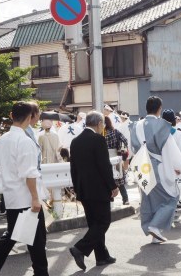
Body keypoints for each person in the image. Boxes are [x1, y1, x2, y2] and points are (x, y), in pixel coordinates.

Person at [0, 102, 49, 276]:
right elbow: (29, 173)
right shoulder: (24, 141)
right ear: (31, 117)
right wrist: (35, 198)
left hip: (11, 196)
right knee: (36, 240)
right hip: (26, 198)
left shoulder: (3, 140)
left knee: (17, 234)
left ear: (11, 115)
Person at [130, 96, 181, 243]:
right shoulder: (161, 126)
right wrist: (180, 166)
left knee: (148, 199)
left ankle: (153, 232)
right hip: (157, 166)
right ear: (159, 108)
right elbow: (170, 148)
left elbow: (132, 147)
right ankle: (155, 227)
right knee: (171, 198)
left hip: (141, 165)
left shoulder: (136, 125)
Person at [69, 111, 119, 271]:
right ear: (98, 124)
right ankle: (80, 248)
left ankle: (102, 256)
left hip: (83, 190)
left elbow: (73, 169)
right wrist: (113, 186)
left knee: (94, 224)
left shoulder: (75, 141)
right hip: (99, 190)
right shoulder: (98, 139)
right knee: (103, 222)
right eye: (103, 124)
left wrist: (77, 189)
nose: (103, 127)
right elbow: (104, 166)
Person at [104, 116, 130, 205]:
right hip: (116, 157)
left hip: (104, 158)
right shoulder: (115, 132)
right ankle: (125, 199)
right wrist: (120, 150)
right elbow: (125, 141)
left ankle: (110, 199)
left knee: (107, 178)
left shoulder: (100, 133)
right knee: (120, 180)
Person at [162, 109, 181, 174]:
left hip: (162, 169)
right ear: (173, 120)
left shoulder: (158, 134)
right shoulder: (178, 134)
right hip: (177, 170)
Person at [25, 101, 42, 171]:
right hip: (30, 172)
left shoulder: (29, 129)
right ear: (35, 114)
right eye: (39, 112)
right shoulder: (27, 131)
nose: (40, 114)